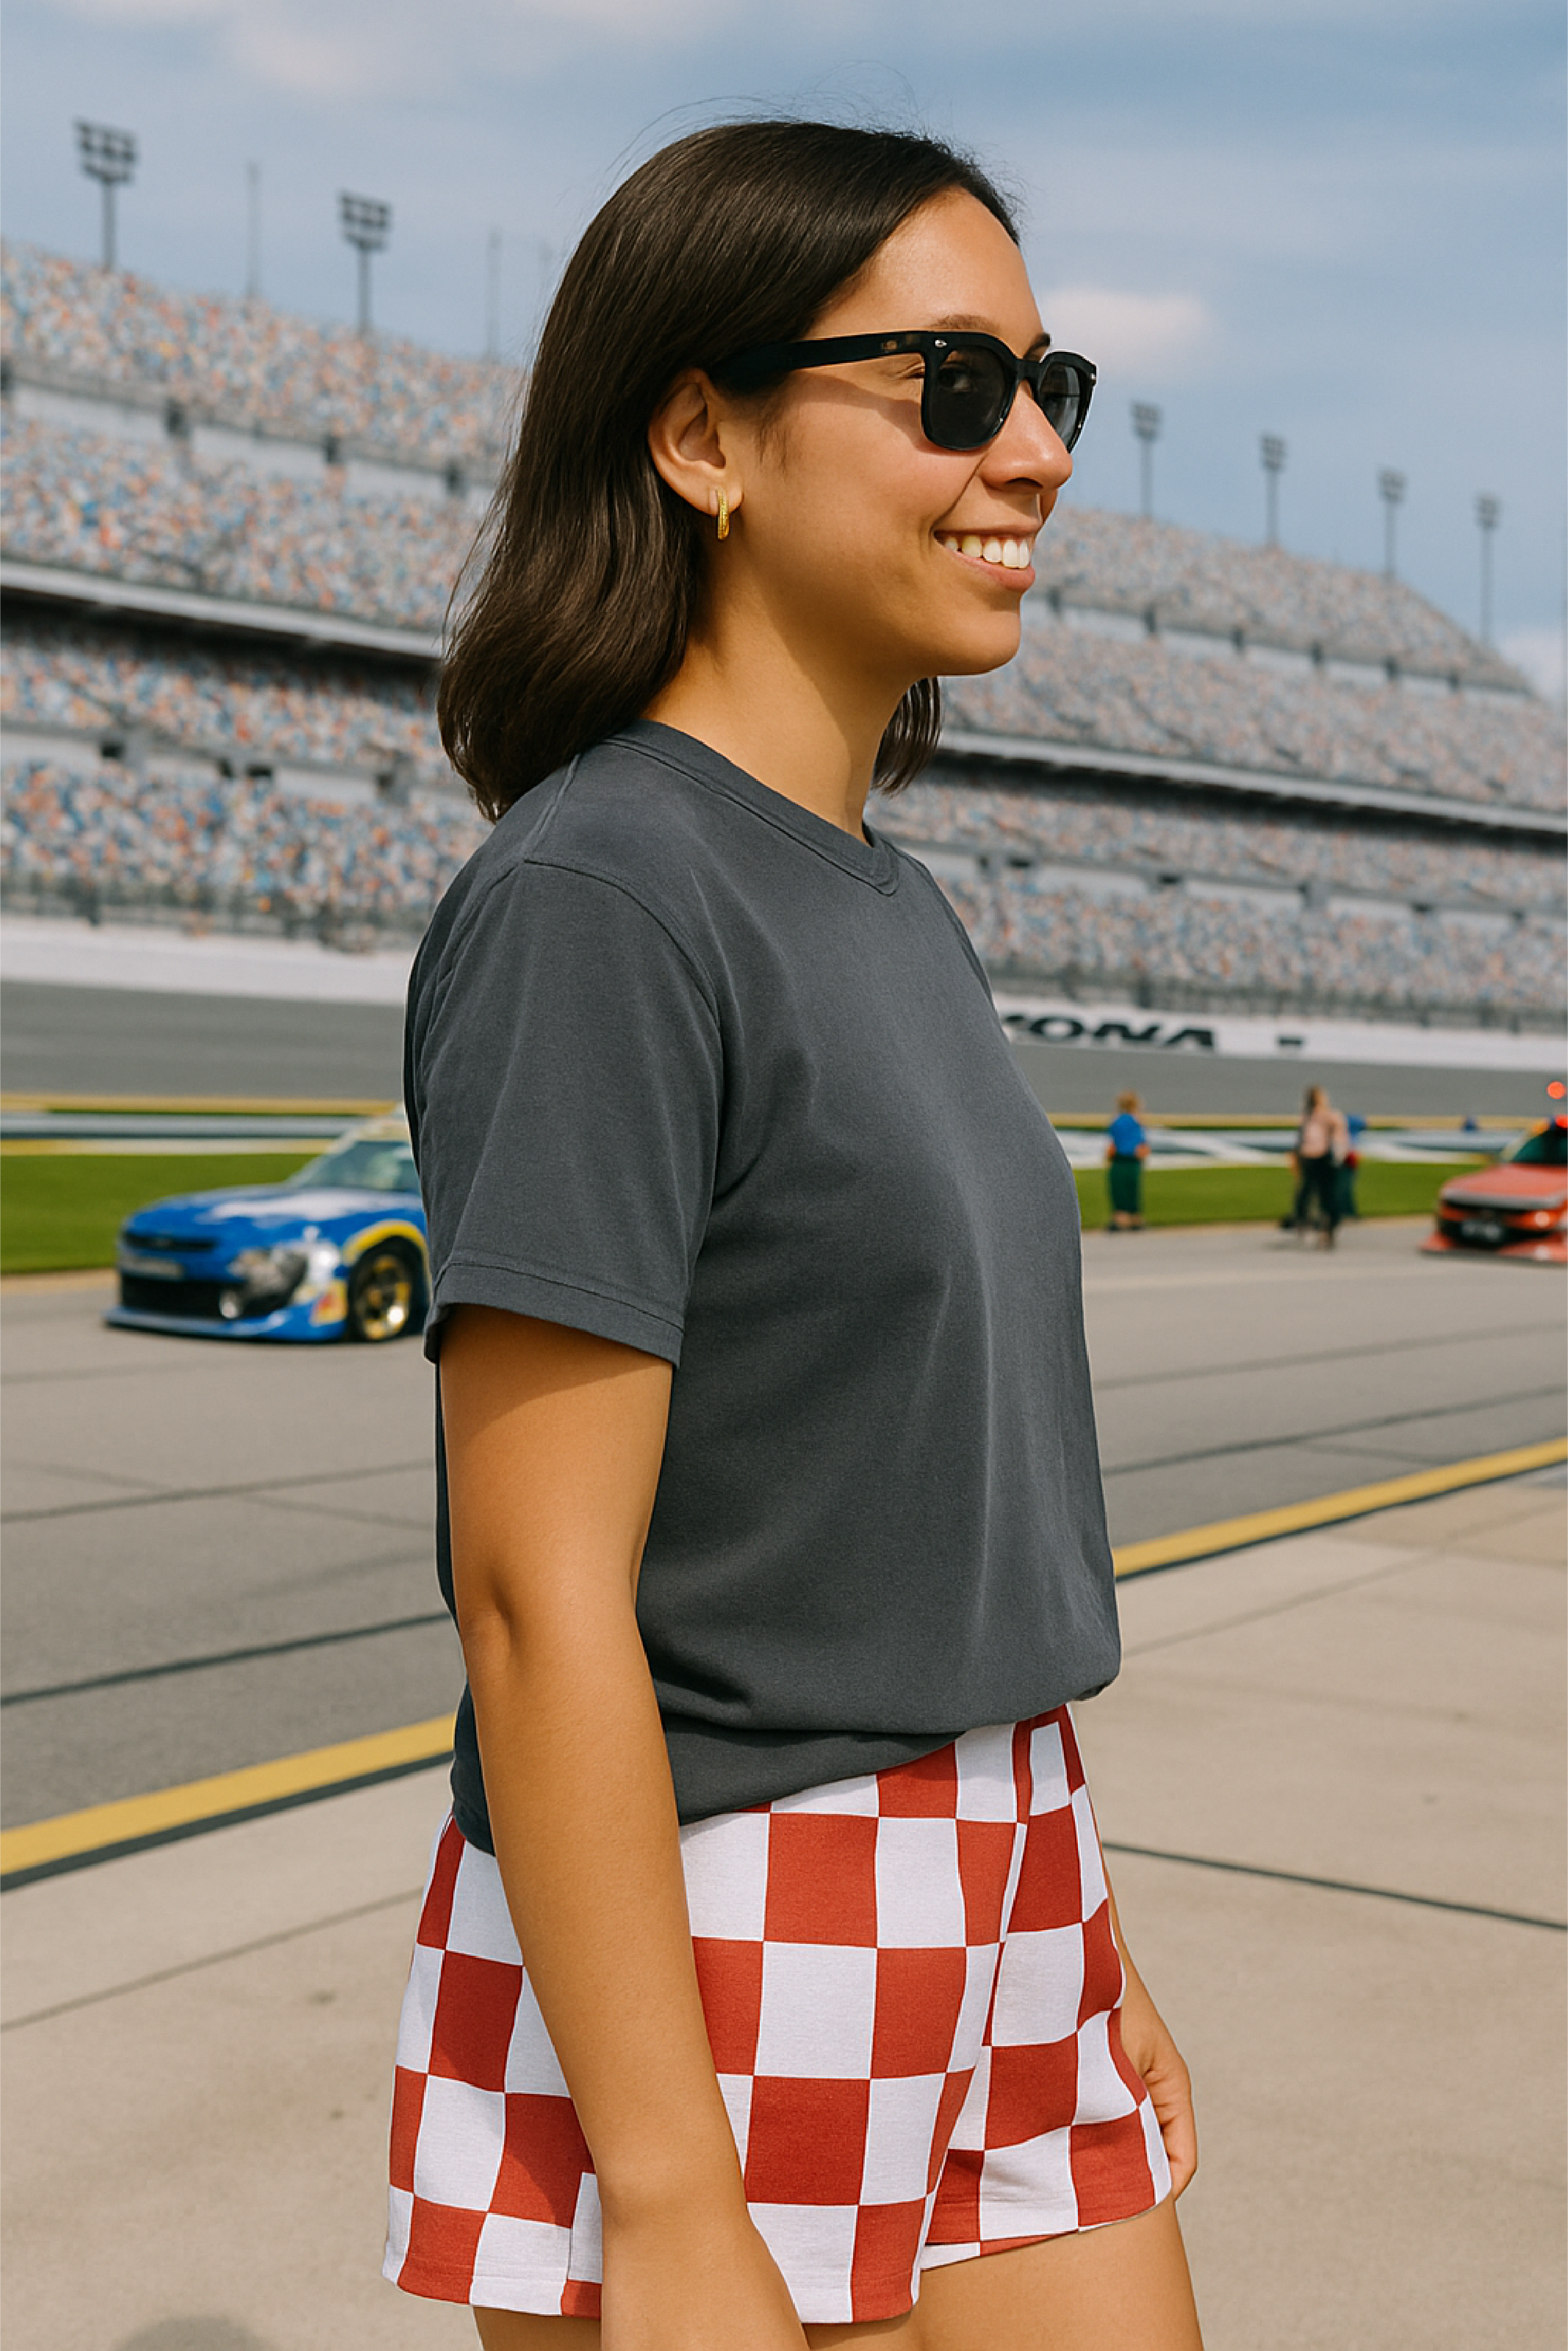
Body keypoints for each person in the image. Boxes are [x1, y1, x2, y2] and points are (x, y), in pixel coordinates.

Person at [384, 120, 1202, 2351]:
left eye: (1053, 385)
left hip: (1004, 1856)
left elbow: (925, 1484)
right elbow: (535, 1589)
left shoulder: (893, 902)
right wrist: (664, 2192)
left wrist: (1076, 1926)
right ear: (704, 434)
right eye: (952, 382)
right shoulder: (602, 896)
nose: (1030, 446)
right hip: (732, 1904)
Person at [1291, 1083, 1349, 1248]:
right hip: (1310, 1159)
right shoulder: (1308, 1117)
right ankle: (1306, 1224)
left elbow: (1339, 1137)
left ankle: (1327, 1230)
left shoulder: (1328, 1117)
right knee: (1305, 1194)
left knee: (1327, 1196)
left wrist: (1338, 1156)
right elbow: (1302, 1139)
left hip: (1324, 1159)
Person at [1105, 1089, 1151, 1230]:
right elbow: (1142, 1144)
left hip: (1119, 1159)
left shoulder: (1116, 1122)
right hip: (1132, 1160)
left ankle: (1120, 1218)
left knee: (1119, 1190)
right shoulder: (1136, 1122)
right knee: (1132, 1190)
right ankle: (1134, 1218)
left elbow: (1112, 1144)